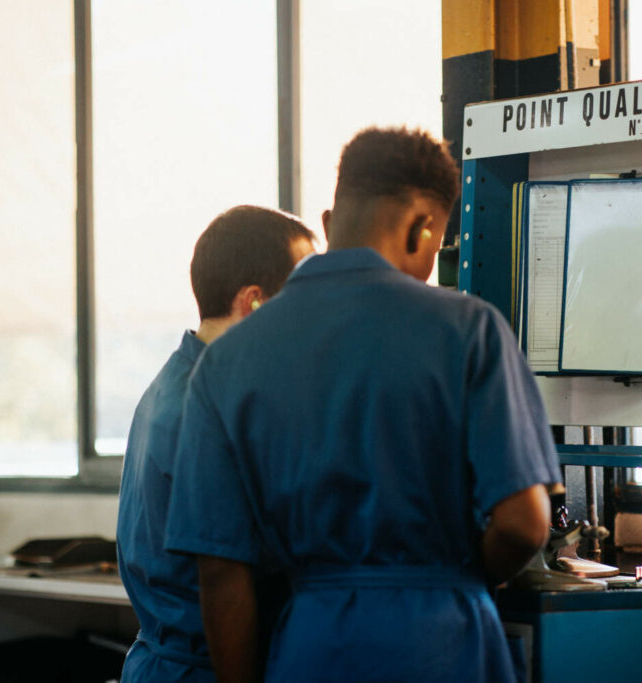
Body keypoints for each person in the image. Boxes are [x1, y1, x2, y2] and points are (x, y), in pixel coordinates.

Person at [165, 127, 561, 683]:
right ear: (423, 228)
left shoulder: (228, 361)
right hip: (446, 643)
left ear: (328, 225)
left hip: (312, 646)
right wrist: (450, 579)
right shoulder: (471, 331)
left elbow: (219, 570)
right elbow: (525, 526)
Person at [116, 205, 315, 682]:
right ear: (255, 302)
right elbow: (228, 573)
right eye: (303, 301)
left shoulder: (175, 384)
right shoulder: (204, 408)